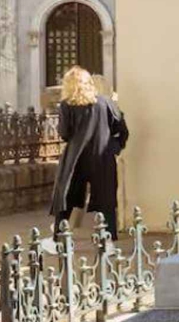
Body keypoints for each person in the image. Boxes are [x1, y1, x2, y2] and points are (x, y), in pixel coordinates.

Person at [49, 67, 129, 240]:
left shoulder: (66, 106)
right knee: (106, 197)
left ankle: (59, 236)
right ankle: (109, 236)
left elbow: (64, 133)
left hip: (75, 158)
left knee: (66, 196)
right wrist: (115, 147)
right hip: (102, 156)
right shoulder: (105, 103)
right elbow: (121, 128)